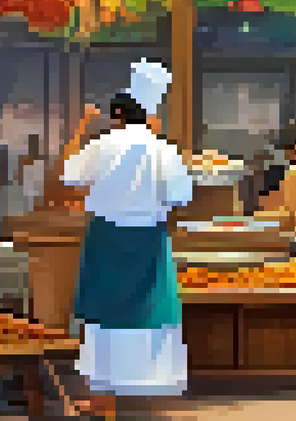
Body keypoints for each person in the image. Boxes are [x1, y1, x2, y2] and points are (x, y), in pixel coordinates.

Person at [64, 59, 192, 415]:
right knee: (148, 314)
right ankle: (148, 393)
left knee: (104, 318)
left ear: (116, 115)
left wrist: (81, 128)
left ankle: (103, 395)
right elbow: (181, 194)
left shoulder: (101, 145)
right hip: (149, 237)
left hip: (105, 236)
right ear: (149, 115)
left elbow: (70, 175)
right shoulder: (162, 149)